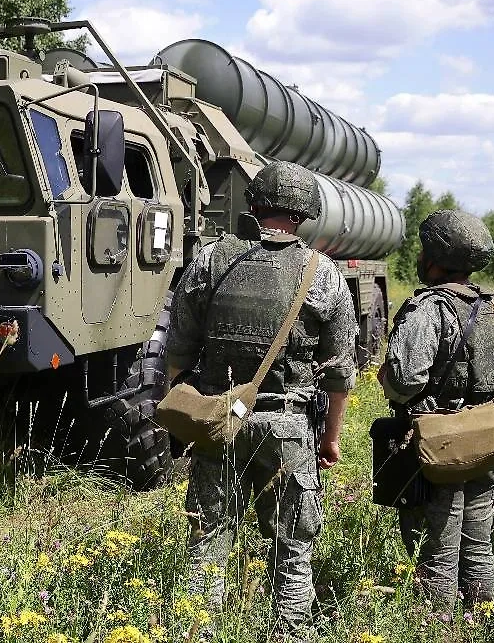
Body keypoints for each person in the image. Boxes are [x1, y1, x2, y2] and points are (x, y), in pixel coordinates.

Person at [165, 161, 358, 638]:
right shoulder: (324, 275)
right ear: (306, 214)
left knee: (209, 534)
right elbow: (339, 375)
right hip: (289, 427)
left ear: (253, 206)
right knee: (293, 541)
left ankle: (197, 628)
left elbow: (177, 351)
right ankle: (290, 631)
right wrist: (330, 440)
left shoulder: (210, 259)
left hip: (219, 421)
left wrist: (184, 417)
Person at [378, 209, 494, 607]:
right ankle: (480, 623)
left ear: (433, 258)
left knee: (436, 551)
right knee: (479, 545)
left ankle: (438, 628)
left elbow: (404, 381)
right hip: (491, 439)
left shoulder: (427, 309)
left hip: (438, 447)